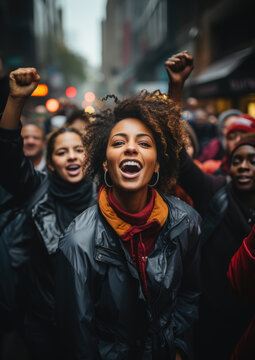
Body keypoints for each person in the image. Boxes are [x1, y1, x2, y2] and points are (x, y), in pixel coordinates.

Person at [55, 90, 201, 360]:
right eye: (119, 142)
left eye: (144, 144)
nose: (131, 148)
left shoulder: (186, 222)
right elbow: (77, 336)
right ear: (105, 164)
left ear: (157, 164)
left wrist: (178, 346)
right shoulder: (77, 241)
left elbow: (190, 293)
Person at [0, 67, 96, 360]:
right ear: (50, 163)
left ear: (88, 156)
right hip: (43, 320)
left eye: (78, 150)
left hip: (95, 322)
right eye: (61, 151)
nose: (71, 156)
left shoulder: (107, 197)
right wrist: (16, 100)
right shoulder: (36, 189)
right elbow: (7, 157)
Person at [165, 51, 255, 359]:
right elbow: (176, 152)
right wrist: (176, 88)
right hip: (214, 322)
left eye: (253, 160)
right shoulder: (214, 190)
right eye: (237, 160)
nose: (244, 166)